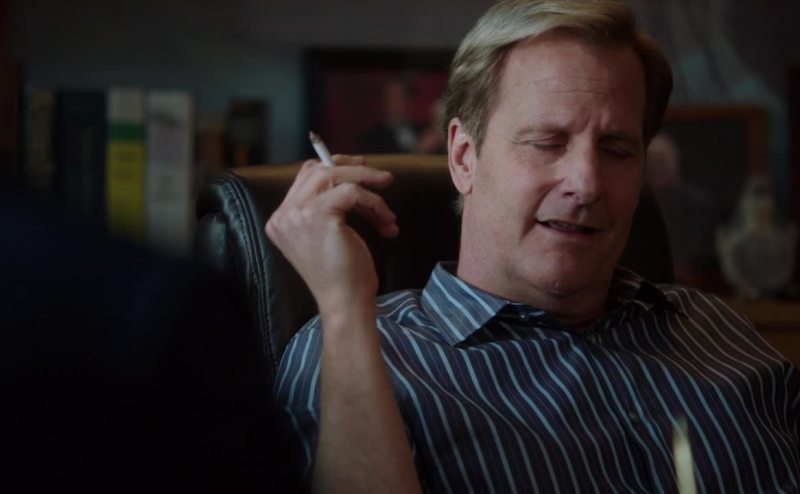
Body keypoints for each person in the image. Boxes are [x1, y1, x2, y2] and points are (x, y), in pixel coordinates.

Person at [267, 1, 800, 492]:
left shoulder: (718, 330)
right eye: (547, 142)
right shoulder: (362, 351)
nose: (586, 184)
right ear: (463, 157)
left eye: (617, 149)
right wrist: (344, 307)